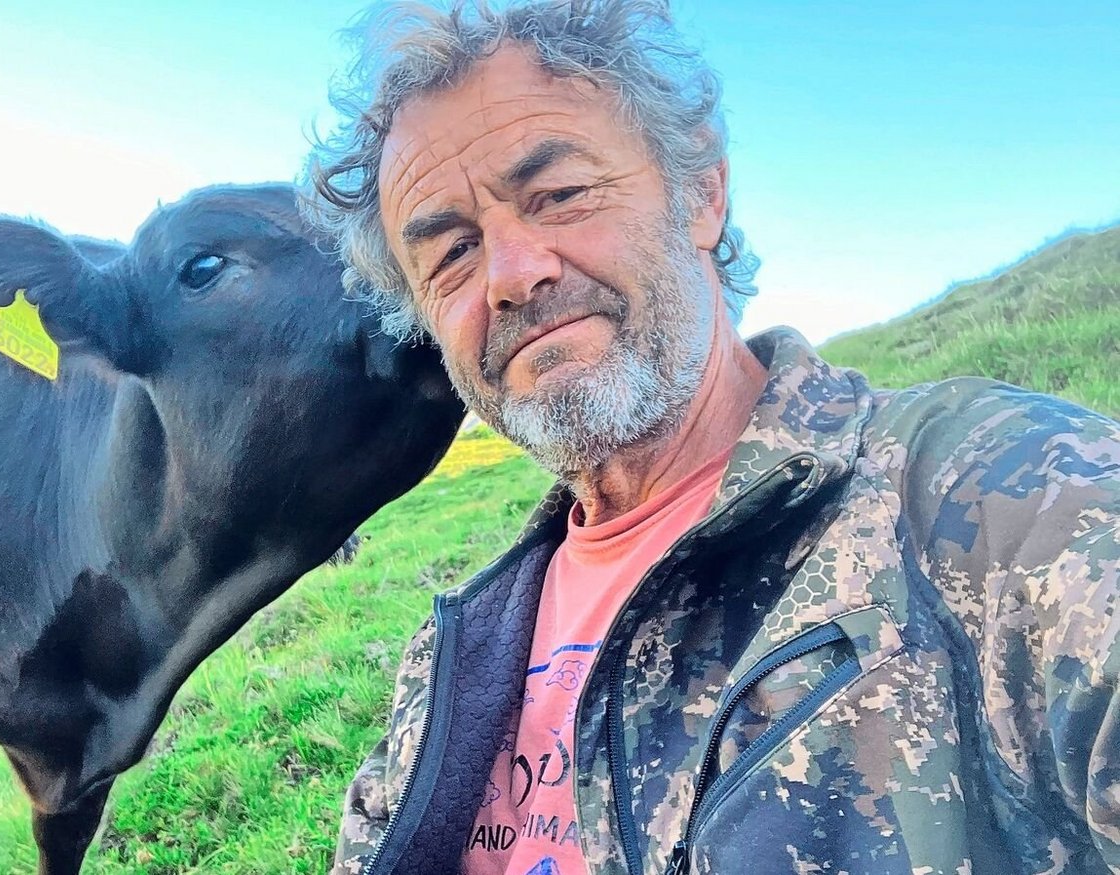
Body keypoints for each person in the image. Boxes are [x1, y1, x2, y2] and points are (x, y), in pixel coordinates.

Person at [303, 2, 1120, 873]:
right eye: (453, 253)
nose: (510, 273)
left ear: (701, 193)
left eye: (559, 194)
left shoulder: (990, 497)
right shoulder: (452, 651)